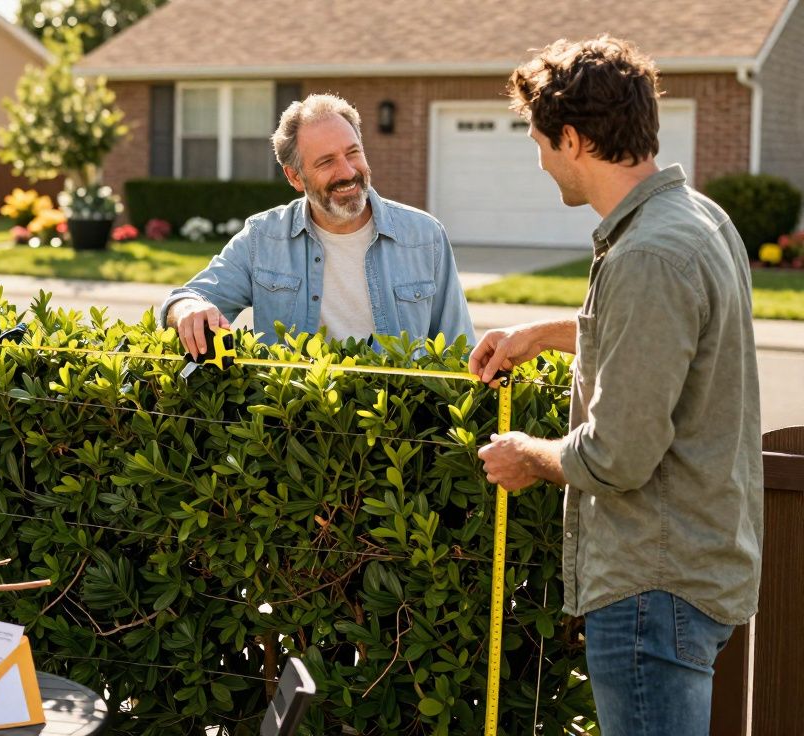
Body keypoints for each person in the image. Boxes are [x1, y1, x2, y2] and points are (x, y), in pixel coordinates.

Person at [469, 37, 761, 734]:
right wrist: (539, 335)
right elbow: (662, 343)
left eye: (540, 141)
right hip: (693, 574)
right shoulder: (697, 219)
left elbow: (616, 456)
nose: (539, 159)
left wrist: (526, 455)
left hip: (651, 591)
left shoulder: (648, 256)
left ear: (572, 138)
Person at [161, 93, 473, 357]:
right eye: (326, 162)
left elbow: (459, 350)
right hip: (296, 425)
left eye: (353, 153)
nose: (347, 171)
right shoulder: (263, 238)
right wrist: (189, 309)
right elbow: (185, 298)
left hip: (396, 424)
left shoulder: (424, 236)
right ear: (295, 177)